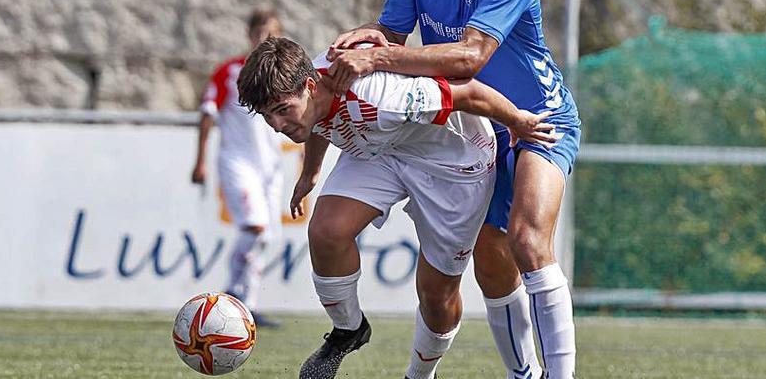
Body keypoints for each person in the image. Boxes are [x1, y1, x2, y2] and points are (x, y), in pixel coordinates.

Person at [325, 0, 581, 378]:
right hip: (475, 122)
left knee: (527, 241)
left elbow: (470, 57)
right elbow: (392, 43)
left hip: (538, 118)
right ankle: (522, 374)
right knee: (489, 259)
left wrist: (378, 55)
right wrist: (368, 40)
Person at [236, 37, 557, 379]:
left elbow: (469, 93)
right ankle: (348, 330)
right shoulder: (310, 92)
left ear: (311, 85)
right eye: (267, 115)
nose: (277, 125)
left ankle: (419, 374)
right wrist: (311, 172)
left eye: (282, 110)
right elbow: (315, 120)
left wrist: (519, 121)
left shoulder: (380, 95)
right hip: (381, 150)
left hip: (452, 164)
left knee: (437, 296)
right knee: (326, 231)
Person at [190, 8, 286, 328]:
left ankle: (248, 305)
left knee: (263, 237)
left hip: (270, 168)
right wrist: (200, 160)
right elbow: (208, 114)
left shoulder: (285, 74)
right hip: (237, 162)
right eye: (259, 32)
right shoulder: (230, 71)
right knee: (254, 226)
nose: (264, 39)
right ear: (249, 35)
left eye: (271, 34)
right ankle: (232, 294)